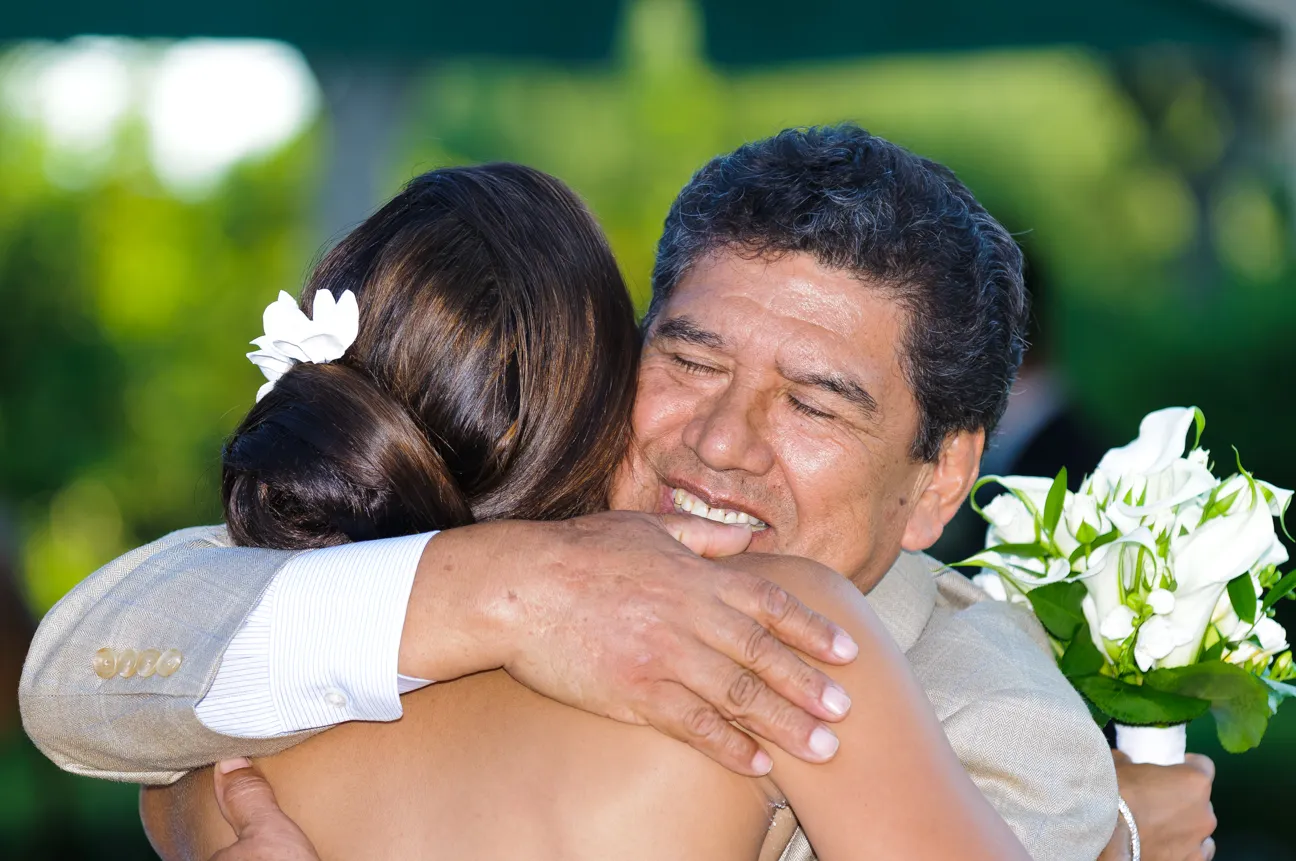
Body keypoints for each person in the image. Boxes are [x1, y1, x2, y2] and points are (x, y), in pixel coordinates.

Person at [20, 125, 1218, 861]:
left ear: (941, 477)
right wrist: (505, 591)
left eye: (813, 403)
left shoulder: (982, 696)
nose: (724, 443)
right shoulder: (469, 536)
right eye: (690, 363)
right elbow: (81, 682)